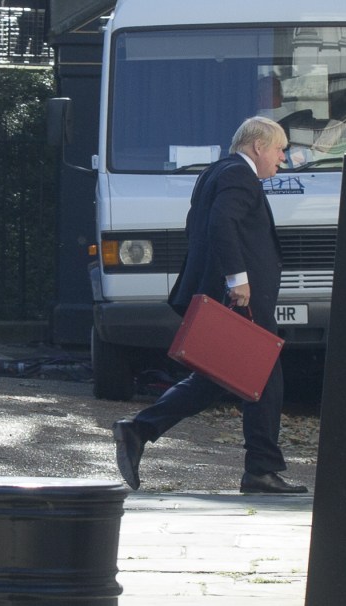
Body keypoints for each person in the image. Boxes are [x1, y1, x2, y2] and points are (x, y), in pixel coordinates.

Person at [112, 116, 307, 494]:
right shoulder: (239, 175)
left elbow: (196, 226)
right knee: (263, 377)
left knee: (222, 377)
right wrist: (238, 279)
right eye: (280, 149)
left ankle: (141, 429)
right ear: (258, 146)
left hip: (222, 294)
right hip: (238, 298)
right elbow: (221, 223)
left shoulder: (216, 172)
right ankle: (260, 471)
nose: (283, 158)